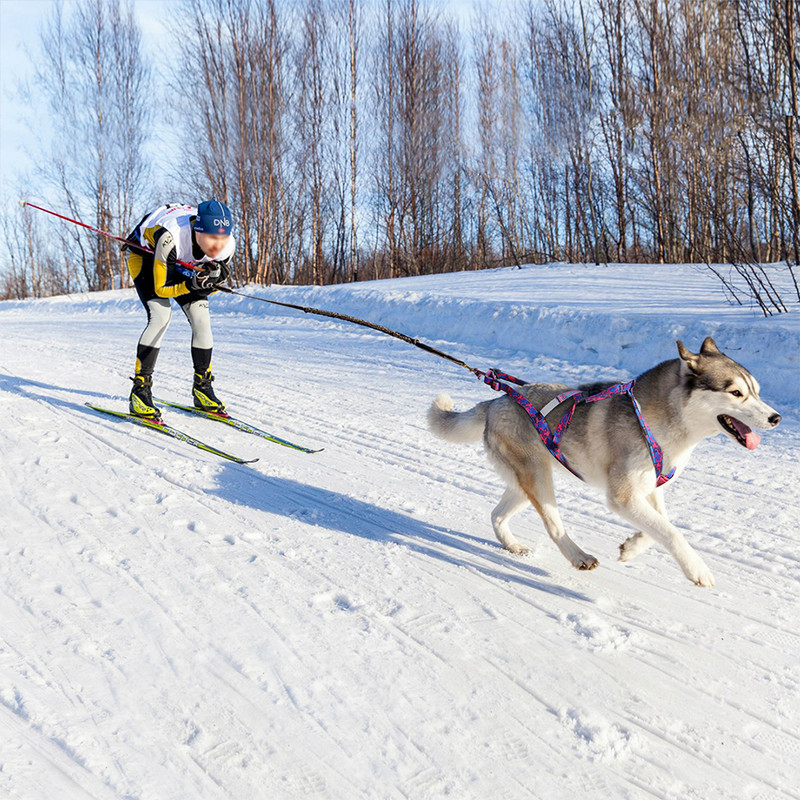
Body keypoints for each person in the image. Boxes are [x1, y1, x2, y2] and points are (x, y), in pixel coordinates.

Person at [123, 200, 235, 419]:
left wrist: (208, 284)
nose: (217, 246)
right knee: (161, 316)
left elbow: (208, 290)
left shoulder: (226, 246)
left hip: (182, 262)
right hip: (146, 256)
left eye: (222, 238)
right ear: (198, 232)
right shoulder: (170, 236)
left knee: (202, 320)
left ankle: (202, 389)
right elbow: (161, 288)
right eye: (212, 238)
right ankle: (140, 391)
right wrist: (192, 284)